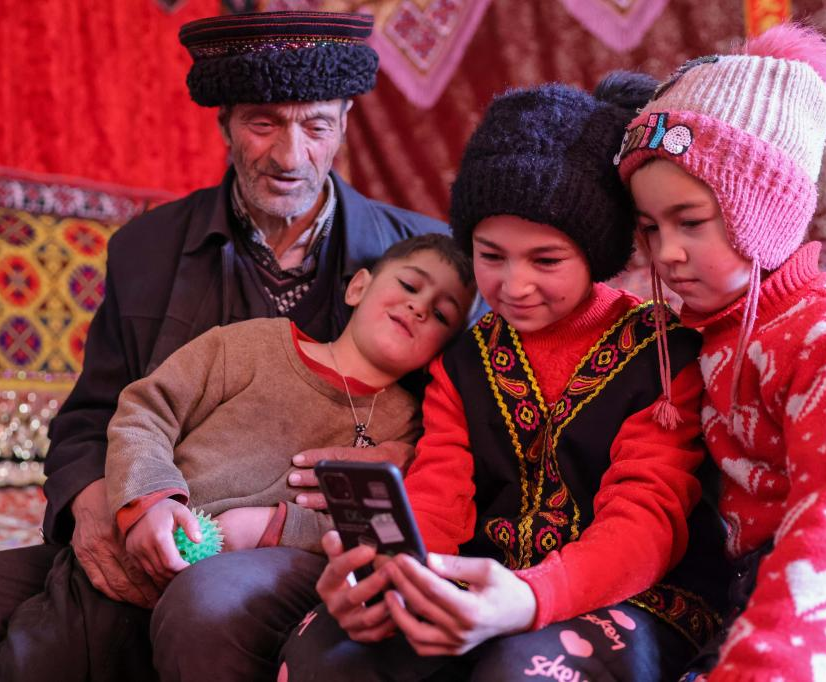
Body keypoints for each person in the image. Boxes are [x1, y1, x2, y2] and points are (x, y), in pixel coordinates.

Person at [0, 11, 460, 682]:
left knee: (192, 604)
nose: (290, 157)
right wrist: (102, 506)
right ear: (224, 124)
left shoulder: (423, 265)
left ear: (346, 123)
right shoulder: (147, 250)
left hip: (301, 546)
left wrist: (408, 460)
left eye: (316, 126)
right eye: (263, 124)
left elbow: (476, 438)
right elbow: (94, 415)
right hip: (156, 518)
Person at [280, 72, 731, 681]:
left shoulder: (661, 356)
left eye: (546, 260)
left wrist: (529, 598)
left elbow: (646, 519)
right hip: (482, 583)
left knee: (522, 671)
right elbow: (438, 495)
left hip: (635, 595)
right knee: (325, 653)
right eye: (491, 256)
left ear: (596, 254)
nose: (514, 285)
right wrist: (395, 578)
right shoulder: (463, 362)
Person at [0, 234, 476, 681]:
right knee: (30, 652)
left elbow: (370, 532)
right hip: (131, 553)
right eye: (410, 286)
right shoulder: (249, 345)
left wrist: (274, 526)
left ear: (442, 350)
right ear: (359, 286)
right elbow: (146, 410)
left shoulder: (411, 429)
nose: (419, 307)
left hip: (224, 596)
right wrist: (148, 501)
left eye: (440, 314)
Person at [615, 23, 826, 681]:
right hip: (770, 565)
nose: (665, 253)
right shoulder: (700, 332)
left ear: (762, 212)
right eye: (649, 227)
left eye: (690, 221)